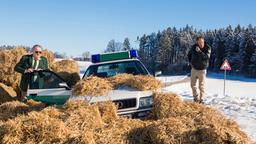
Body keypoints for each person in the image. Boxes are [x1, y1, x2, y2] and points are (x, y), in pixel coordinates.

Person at [187, 36, 211, 104]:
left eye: (202, 42)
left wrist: (200, 52)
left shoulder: (207, 47)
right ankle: (195, 98)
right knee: (192, 85)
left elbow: (207, 57)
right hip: (194, 69)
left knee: (201, 86)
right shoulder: (193, 47)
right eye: (200, 42)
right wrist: (190, 62)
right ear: (197, 42)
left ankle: (202, 99)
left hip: (202, 70)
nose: (201, 43)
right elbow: (189, 55)